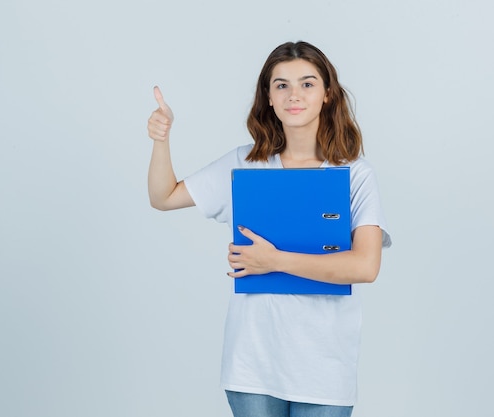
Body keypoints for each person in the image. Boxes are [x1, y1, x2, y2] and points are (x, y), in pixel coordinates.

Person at [147, 41, 391, 417]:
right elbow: (164, 197)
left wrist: (273, 260)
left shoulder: (354, 173)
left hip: (325, 367)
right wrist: (161, 140)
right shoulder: (247, 163)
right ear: (269, 98)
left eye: (307, 84)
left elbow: (365, 266)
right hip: (253, 365)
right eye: (281, 85)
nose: (294, 95)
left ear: (327, 94)